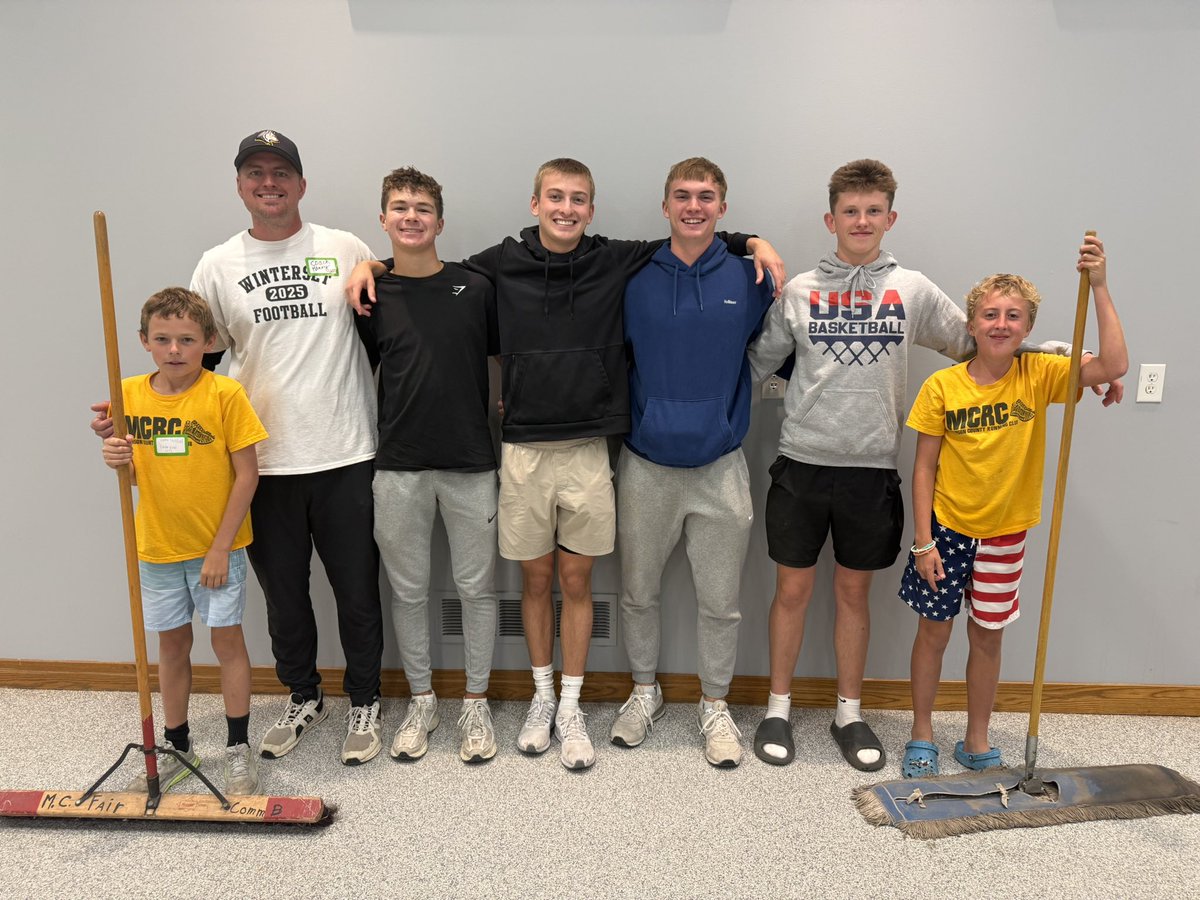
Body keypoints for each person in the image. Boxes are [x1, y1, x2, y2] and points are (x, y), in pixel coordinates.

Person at [347, 158, 783, 770]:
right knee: (534, 583)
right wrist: (376, 264)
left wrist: (750, 240)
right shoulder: (494, 267)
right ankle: (541, 698)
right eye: (555, 197)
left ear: (591, 209)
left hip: (590, 450)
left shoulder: (615, 259)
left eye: (578, 199)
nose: (566, 209)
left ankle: (572, 706)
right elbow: (427, 270)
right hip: (522, 450)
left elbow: (690, 235)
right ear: (535, 203)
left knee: (578, 583)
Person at [746, 159, 1122, 771]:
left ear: (890, 218)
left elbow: (982, 342)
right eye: (850, 211)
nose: (861, 221)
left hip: (872, 469)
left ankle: (849, 712)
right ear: (831, 218)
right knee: (791, 590)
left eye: (873, 211)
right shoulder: (800, 291)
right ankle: (778, 709)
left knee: (853, 594)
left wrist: (1069, 359)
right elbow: (756, 363)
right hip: (801, 463)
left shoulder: (912, 290)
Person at [93, 130, 385, 766]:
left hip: (345, 450)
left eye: (281, 172)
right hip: (263, 464)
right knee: (285, 596)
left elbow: (390, 276)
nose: (269, 183)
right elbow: (192, 365)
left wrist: (377, 264)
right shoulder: (217, 264)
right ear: (240, 186)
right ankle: (302, 695)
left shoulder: (343, 247)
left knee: (357, 589)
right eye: (256, 172)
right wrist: (135, 421)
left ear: (301, 184)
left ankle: (366, 700)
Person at [899, 238, 1127, 777]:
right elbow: (924, 468)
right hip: (947, 531)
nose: (1000, 324)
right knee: (933, 632)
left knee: (988, 635)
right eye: (989, 314)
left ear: (1027, 329)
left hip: (1005, 535)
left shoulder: (1040, 375)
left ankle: (976, 737)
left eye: (1013, 316)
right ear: (972, 324)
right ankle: (922, 732)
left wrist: (1098, 285)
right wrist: (923, 540)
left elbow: (1115, 362)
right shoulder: (943, 386)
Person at [609, 158, 774, 767]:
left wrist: (754, 244)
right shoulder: (632, 276)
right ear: (665, 206)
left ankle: (715, 704)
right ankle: (643, 692)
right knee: (637, 593)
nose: (694, 206)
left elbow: (776, 352)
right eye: (682, 195)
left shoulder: (752, 277)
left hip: (721, 466)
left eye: (707, 196)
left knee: (720, 602)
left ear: (723, 208)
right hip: (646, 463)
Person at [356, 167, 501, 764]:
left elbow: (498, 362)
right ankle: (422, 699)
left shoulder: (476, 287)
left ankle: (475, 701)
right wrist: (372, 268)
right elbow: (359, 375)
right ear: (383, 220)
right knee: (409, 591)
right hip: (398, 465)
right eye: (399, 207)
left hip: (471, 462)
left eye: (422, 208)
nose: (411, 216)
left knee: (476, 589)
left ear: (440, 222)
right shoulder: (369, 295)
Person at [100, 288, 268, 796]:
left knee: (226, 641)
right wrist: (114, 453)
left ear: (209, 342)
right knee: (171, 646)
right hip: (156, 548)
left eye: (188, 340)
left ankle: (238, 749)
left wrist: (220, 547)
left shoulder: (224, 396)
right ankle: (177, 746)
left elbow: (247, 475)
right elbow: (132, 472)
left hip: (217, 548)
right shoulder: (126, 395)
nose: (175, 349)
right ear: (144, 341)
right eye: (163, 339)